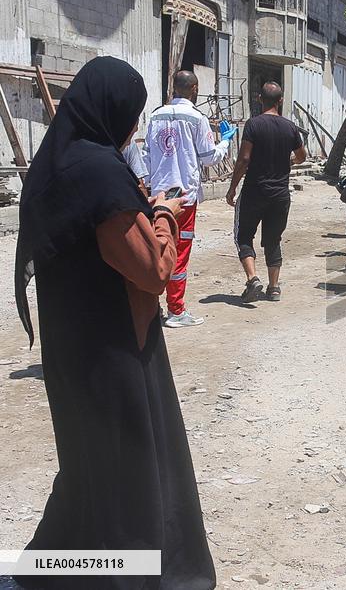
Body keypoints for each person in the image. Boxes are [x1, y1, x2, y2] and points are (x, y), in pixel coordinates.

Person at [13, 56, 215, 588]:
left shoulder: (55, 163)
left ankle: (51, 568)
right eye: (132, 115)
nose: (132, 127)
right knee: (129, 471)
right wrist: (165, 216)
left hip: (71, 346)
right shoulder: (102, 171)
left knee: (88, 464)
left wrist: (138, 210)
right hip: (114, 348)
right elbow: (152, 272)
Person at [146, 69, 236, 328]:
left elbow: (147, 155)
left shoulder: (155, 116)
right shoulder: (197, 118)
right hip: (184, 197)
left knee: (157, 250)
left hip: (160, 196)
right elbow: (209, 157)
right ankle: (176, 310)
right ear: (194, 89)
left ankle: (154, 306)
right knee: (179, 252)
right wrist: (225, 143)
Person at [227, 81, 307, 303]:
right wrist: (287, 161)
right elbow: (302, 156)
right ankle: (273, 288)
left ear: (259, 99)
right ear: (280, 100)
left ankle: (253, 279)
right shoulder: (290, 127)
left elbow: (244, 159)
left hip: (254, 191)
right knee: (273, 239)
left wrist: (232, 188)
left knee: (244, 236)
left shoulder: (253, 124)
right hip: (280, 195)